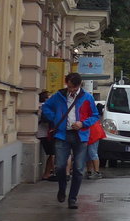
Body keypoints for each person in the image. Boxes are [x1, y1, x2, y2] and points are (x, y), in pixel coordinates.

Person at [40, 72, 99, 209]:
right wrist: (55, 118)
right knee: (60, 166)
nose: (71, 90)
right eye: (69, 86)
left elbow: (95, 115)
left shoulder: (87, 97)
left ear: (79, 85)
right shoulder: (59, 96)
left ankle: (72, 198)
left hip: (80, 136)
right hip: (62, 134)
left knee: (78, 169)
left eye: (74, 87)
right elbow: (46, 107)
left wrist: (83, 123)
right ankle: (62, 189)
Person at [37, 90, 56, 180]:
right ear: (45, 98)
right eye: (49, 97)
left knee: (52, 153)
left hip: (40, 133)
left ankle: (51, 171)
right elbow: (48, 119)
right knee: (52, 153)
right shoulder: (44, 106)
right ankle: (47, 173)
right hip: (45, 133)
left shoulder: (38, 105)